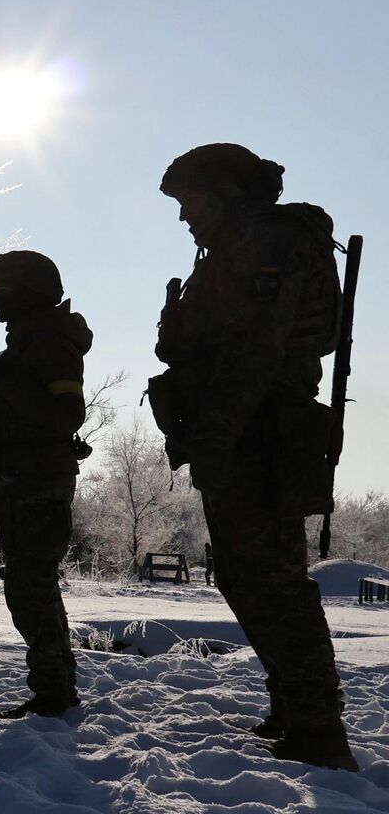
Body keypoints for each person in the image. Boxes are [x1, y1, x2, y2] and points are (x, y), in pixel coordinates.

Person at [150, 143, 355, 770]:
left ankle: (318, 730)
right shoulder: (234, 248)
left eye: (191, 200)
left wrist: (215, 438)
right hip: (242, 434)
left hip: (259, 436)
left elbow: (253, 352)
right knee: (244, 578)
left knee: (274, 583)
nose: (184, 215)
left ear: (227, 194)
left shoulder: (265, 242)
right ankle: (293, 710)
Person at [0, 251, 91, 720]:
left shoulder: (49, 342)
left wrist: (5, 383)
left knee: (29, 587)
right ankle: (55, 688)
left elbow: (67, 414)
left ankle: (53, 693)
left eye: (2, 290)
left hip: (40, 481)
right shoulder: (26, 342)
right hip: (21, 480)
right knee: (30, 587)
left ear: (30, 292)